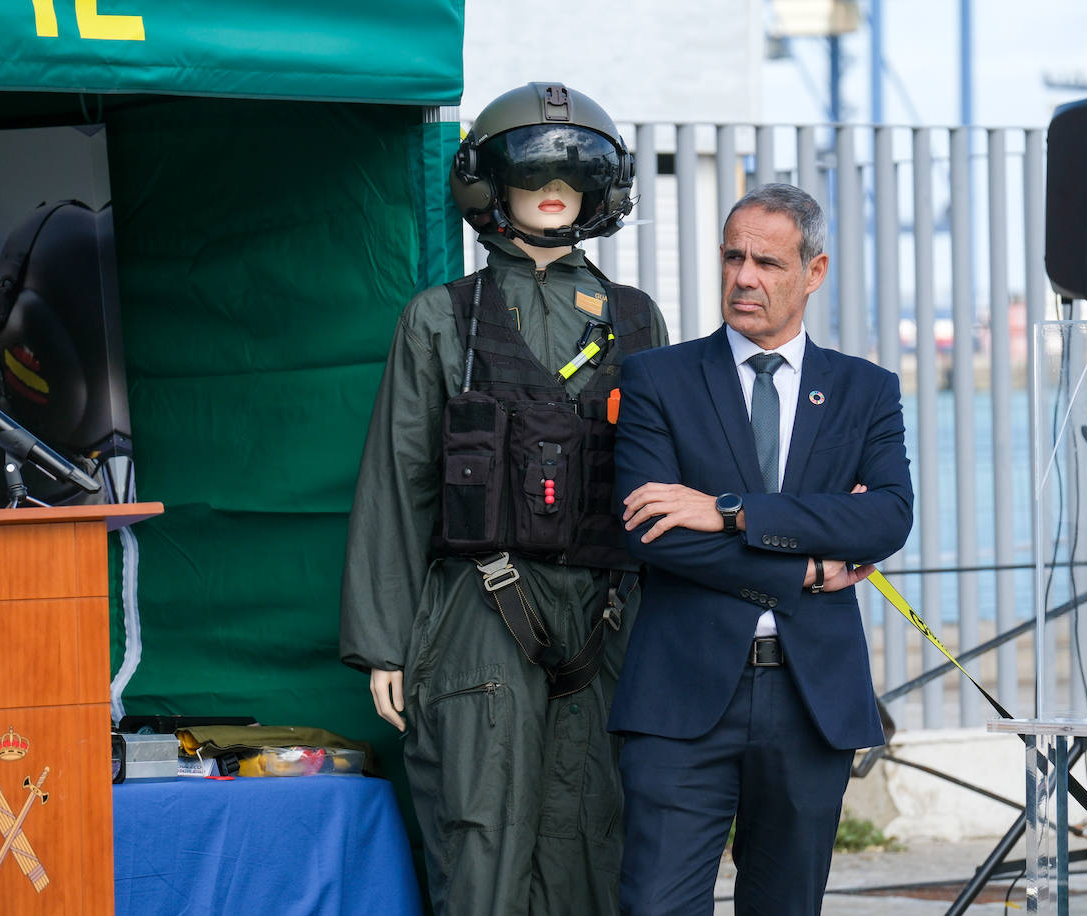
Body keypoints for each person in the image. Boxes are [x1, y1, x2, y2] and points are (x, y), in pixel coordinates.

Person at [339, 82, 669, 916]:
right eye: (529, 172)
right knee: (479, 838)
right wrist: (383, 643)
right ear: (491, 186)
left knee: (593, 836)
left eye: (575, 172)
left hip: (605, 616)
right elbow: (400, 478)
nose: (553, 190)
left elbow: (666, 481)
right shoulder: (442, 320)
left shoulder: (635, 322)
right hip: (478, 615)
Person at [610, 182, 914, 914]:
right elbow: (649, 531)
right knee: (655, 905)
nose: (745, 278)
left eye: (769, 263)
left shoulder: (865, 390)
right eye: (733, 257)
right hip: (679, 699)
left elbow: (887, 521)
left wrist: (727, 511)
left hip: (810, 700)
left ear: (814, 272)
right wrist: (808, 565)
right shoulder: (658, 378)